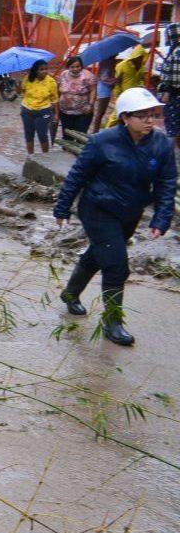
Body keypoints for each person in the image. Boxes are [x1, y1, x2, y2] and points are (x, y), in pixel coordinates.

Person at [54, 88, 176, 346]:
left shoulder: (161, 144)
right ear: (125, 117)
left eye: (152, 115)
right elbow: (78, 175)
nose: (149, 121)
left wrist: (161, 219)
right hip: (98, 209)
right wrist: (62, 208)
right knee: (117, 265)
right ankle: (112, 322)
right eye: (142, 116)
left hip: (130, 213)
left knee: (100, 254)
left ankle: (71, 293)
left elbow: (166, 183)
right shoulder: (102, 142)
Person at [103, 45, 148, 129]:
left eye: (141, 57)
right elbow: (117, 81)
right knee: (116, 115)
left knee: (131, 116)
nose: (139, 59)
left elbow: (141, 79)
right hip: (123, 95)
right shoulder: (122, 65)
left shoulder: (142, 67)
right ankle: (106, 131)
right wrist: (118, 95)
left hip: (135, 95)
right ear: (134, 56)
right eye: (138, 57)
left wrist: (141, 86)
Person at [55, 56, 97, 143]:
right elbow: (58, 89)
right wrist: (56, 105)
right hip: (65, 112)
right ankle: (67, 153)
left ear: (81, 66)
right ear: (68, 67)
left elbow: (93, 90)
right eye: (72, 67)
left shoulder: (88, 76)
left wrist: (90, 104)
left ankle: (79, 154)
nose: (75, 69)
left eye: (77, 66)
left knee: (80, 136)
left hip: (83, 112)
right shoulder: (63, 74)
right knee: (67, 136)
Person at [20, 59, 58, 154]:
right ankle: (30, 157)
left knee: (42, 135)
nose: (44, 71)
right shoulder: (28, 79)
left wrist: (57, 114)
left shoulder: (51, 82)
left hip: (44, 112)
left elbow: (55, 99)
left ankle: (45, 158)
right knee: (28, 135)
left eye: (46, 69)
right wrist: (18, 83)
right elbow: (20, 92)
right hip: (27, 110)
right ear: (36, 70)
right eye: (41, 69)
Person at [158, 23, 180, 149]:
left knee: (173, 129)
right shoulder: (175, 49)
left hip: (175, 97)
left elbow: (176, 78)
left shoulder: (177, 52)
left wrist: (167, 91)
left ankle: (170, 158)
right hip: (175, 96)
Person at [91, 56, 116, 133]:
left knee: (100, 112)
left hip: (104, 88)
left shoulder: (106, 60)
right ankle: (95, 132)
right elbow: (104, 77)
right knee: (100, 112)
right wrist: (116, 80)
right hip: (104, 89)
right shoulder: (108, 61)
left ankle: (95, 131)